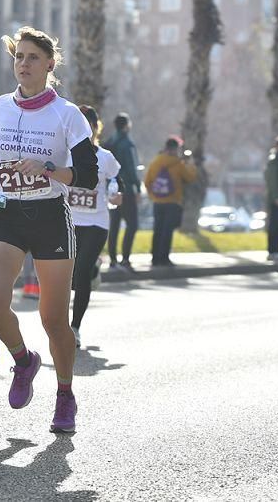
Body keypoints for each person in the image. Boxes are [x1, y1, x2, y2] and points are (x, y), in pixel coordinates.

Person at [0, 26, 98, 434]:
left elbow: (88, 176)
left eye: (31, 58)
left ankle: (64, 395)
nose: (23, 64)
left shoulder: (68, 114)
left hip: (49, 218)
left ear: (49, 65)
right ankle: (24, 360)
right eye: (18, 57)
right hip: (7, 215)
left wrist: (47, 169)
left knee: (53, 319)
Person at [69, 105, 121, 349]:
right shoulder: (64, 153)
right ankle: (93, 271)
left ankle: (74, 327)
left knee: (80, 272)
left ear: (94, 128)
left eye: (88, 125)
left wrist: (115, 193)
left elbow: (115, 178)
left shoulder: (104, 157)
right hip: (68, 221)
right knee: (71, 276)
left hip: (96, 222)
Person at [144, 136, 197, 267]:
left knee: (157, 230)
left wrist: (153, 195)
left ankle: (155, 257)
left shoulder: (156, 162)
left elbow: (147, 181)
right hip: (172, 202)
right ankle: (164, 258)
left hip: (157, 202)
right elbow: (190, 177)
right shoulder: (178, 164)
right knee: (167, 231)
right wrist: (190, 165)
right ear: (175, 149)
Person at [104, 112, 141, 273]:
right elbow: (132, 168)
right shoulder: (127, 143)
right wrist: (138, 187)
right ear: (127, 125)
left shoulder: (110, 141)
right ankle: (125, 258)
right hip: (125, 188)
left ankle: (112, 259)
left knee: (114, 224)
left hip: (111, 187)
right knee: (132, 224)